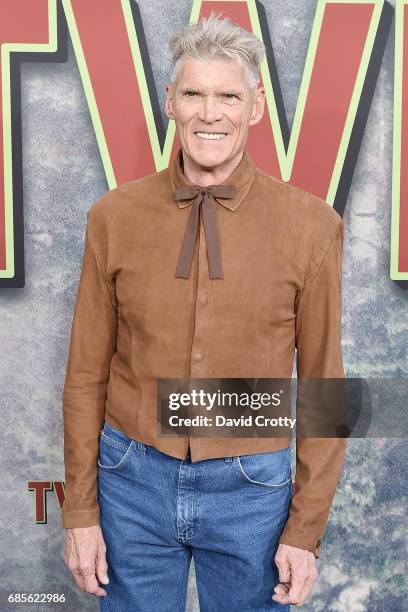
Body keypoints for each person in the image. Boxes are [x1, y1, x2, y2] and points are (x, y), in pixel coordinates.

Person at [62, 13, 346, 611]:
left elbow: (325, 387)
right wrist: (80, 510)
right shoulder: (112, 217)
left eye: (228, 96)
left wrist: (305, 530)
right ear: (170, 101)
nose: (209, 113)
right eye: (193, 93)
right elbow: (85, 375)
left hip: (253, 489)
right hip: (130, 479)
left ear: (256, 107)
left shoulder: (312, 226)